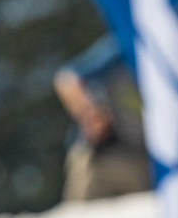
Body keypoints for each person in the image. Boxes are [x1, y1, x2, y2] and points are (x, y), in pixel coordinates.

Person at [54, 37, 154, 202]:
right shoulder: (128, 47)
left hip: (142, 159)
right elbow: (67, 79)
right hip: (100, 157)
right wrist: (91, 113)